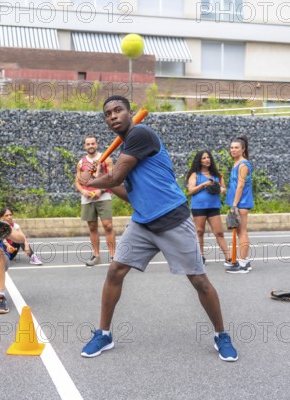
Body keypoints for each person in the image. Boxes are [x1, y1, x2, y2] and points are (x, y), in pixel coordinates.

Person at [77, 95, 238, 362]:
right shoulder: (127, 149)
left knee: (199, 280)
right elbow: (127, 192)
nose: (113, 116)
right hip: (143, 222)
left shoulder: (141, 134)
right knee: (115, 271)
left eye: (118, 110)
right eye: (107, 114)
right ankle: (104, 333)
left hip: (172, 219)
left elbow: (115, 177)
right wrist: (97, 179)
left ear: (130, 113)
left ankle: (221, 335)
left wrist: (92, 180)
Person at [186, 150, 234, 267]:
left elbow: (223, 188)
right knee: (199, 231)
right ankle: (200, 257)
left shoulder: (217, 174)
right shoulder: (195, 174)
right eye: (203, 158)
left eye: (208, 157)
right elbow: (190, 191)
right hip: (199, 207)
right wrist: (204, 184)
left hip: (213, 206)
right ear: (199, 160)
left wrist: (220, 189)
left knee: (219, 232)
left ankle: (229, 257)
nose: (207, 160)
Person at [75, 134, 116, 266]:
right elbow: (77, 182)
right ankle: (96, 256)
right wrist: (83, 191)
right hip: (87, 197)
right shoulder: (81, 163)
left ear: (96, 145)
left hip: (103, 195)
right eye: (88, 144)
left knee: (108, 226)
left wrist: (101, 190)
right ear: (84, 146)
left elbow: (112, 177)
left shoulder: (106, 159)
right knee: (92, 227)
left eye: (93, 143)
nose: (91, 146)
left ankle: (113, 256)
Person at [224, 135, 254, 274]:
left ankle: (243, 264)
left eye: (236, 148)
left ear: (243, 149)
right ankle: (244, 261)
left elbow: (240, 186)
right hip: (237, 202)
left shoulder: (243, 164)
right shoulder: (236, 163)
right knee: (239, 232)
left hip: (241, 202)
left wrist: (235, 205)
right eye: (231, 147)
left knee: (242, 232)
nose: (233, 150)